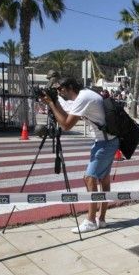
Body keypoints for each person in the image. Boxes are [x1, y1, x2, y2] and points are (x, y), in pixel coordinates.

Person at [42, 77, 118, 233]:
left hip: (105, 143)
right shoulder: (84, 95)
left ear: (69, 87)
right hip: (107, 141)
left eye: (60, 89)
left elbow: (66, 125)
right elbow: (67, 115)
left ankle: (91, 221)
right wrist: (55, 102)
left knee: (89, 178)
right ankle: (101, 219)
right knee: (103, 179)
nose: (58, 92)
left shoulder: (83, 97)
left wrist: (51, 103)